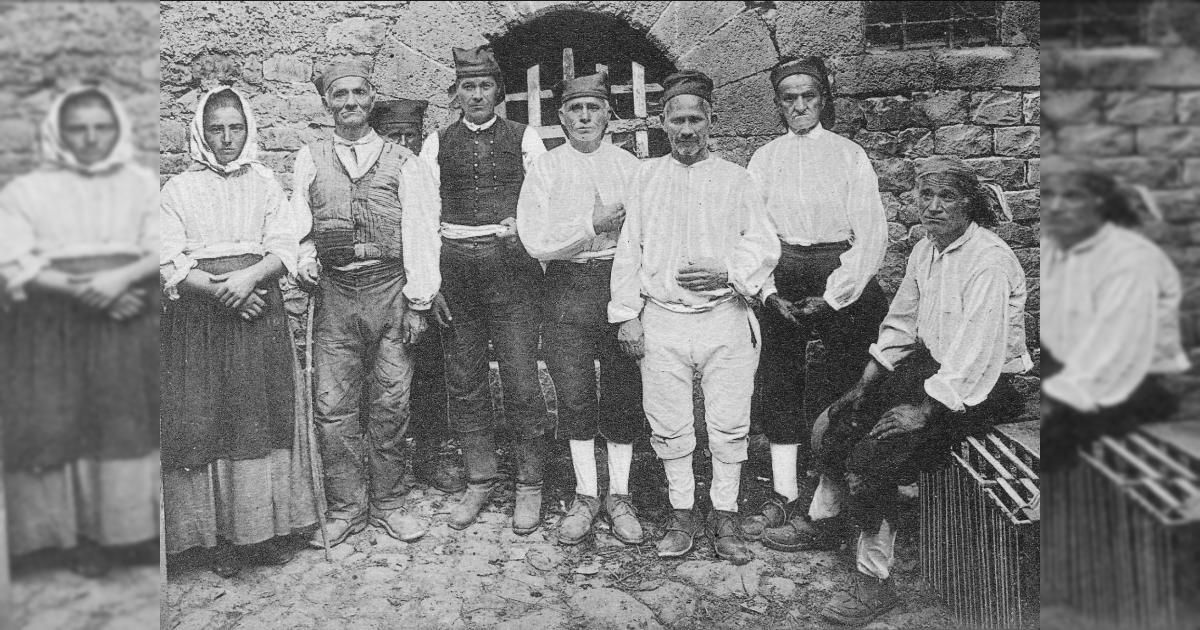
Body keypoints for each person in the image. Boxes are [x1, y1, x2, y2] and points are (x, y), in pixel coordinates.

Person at [799, 157, 1031, 627]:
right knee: (842, 420)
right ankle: (827, 523)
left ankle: (874, 580)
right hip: (933, 369)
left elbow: (977, 352)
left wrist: (924, 409)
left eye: (947, 196)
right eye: (927, 195)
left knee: (877, 456)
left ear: (970, 203)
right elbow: (901, 324)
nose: (934, 206)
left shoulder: (988, 260)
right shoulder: (927, 249)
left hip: (980, 385)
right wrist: (862, 387)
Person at [608, 70, 780, 565]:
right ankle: (682, 513)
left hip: (724, 316)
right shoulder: (646, 178)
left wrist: (729, 272)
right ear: (663, 123)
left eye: (695, 120)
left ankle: (724, 514)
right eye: (677, 120)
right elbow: (629, 249)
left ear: (710, 121)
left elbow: (763, 244)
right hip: (663, 318)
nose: (686, 130)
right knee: (669, 421)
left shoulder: (736, 179)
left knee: (729, 421)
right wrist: (627, 315)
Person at [0, 85, 159, 578]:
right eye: (78, 128)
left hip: (125, 319)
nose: (91, 138)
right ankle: (69, 538)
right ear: (60, 132)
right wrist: (85, 290)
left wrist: (119, 281)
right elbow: (12, 259)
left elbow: (159, 246)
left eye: (101, 127)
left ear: (116, 129)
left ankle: (124, 536)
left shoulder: (140, 184)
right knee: (61, 422)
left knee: (119, 424)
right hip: (51, 324)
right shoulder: (27, 190)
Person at [160, 86, 317, 577]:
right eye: (216, 129)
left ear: (248, 130)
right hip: (199, 321)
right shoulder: (178, 189)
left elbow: (284, 244)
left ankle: (262, 533)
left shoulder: (265, 183)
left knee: (257, 415)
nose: (227, 138)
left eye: (235, 128)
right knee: (205, 416)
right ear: (201, 133)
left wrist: (248, 280)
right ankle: (213, 539)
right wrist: (220, 291)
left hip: (257, 314)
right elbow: (167, 258)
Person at [293, 62, 444, 548]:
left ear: (372, 99)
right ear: (326, 103)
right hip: (335, 295)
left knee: (390, 404)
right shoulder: (310, 158)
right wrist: (305, 261)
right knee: (332, 406)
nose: (350, 102)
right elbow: (298, 227)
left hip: (390, 292)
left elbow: (421, 234)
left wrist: (418, 302)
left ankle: (389, 503)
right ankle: (345, 508)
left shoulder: (404, 162)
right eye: (340, 95)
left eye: (359, 93)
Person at [743, 57, 890, 546]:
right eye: (790, 98)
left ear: (823, 99)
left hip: (840, 271)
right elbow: (754, 232)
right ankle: (784, 493)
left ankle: (835, 499)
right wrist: (768, 292)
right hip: (784, 268)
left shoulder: (849, 155)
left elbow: (871, 233)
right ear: (778, 104)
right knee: (779, 378)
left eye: (809, 96)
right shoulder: (765, 159)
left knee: (848, 380)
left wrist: (835, 297)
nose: (800, 106)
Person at [419, 45, 550, 535]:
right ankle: (480, 478)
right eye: (467, 87)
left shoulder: (524, 138)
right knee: (464, 379)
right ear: (456, 93)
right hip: (456, 274)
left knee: (520, 379)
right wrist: (430, 285)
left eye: (485, 86)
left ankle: (530, 484)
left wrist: (524, 228)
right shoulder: (436, 144)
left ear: (499, 92)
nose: (476, 95)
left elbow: (545, 200)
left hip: (511, 273)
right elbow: (423, 217)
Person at [517, 72, 645, 546]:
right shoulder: (546, 168)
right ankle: (586, 495)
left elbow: (640, 237)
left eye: (594, 108)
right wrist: (589, 225)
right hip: (565, 288)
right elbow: (536, 240)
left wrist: (631, 306)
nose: (585, 117)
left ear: (609, 114)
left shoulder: (629, 166)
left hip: (619, 282)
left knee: (622, 388)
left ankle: (621, 496)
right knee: (573, 393)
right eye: (576, 109)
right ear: (562, 117)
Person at [1041, 157, 1187, 470]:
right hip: (1071, 374)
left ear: (1100, 201)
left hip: (1128, 385)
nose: (1055, 207)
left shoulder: (1130, 259)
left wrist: (1055, 401)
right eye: (1047, 195)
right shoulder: (1052, 249)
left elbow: (1114, 351)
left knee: (1053, 453)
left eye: (1072, 196)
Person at [367, 97, 465, 494]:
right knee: (379, 381)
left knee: (429, 376)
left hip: (430, 289)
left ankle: (428, 458)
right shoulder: (374, 174)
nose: (406, 144)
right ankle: (379, 466)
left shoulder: (429, 172)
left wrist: (433, 289)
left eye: (412, 135)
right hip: (384, 289)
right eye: (396, 136)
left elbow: (434, 235)